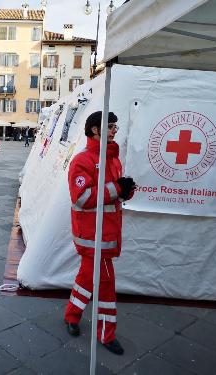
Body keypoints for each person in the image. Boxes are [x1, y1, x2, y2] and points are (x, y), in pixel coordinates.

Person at [64, 111, 136, 356]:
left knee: (86, 278)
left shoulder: (113, 158)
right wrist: (117, 188)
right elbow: (82, 198)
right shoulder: (82, 160)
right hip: (93, 235)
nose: (115, 130)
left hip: (106, 232)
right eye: (111, 126)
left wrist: (126, 190)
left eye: (116, 125)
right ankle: (107, 333)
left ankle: (72, 315)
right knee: (106, 286)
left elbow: (113, 196)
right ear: (95, 130)